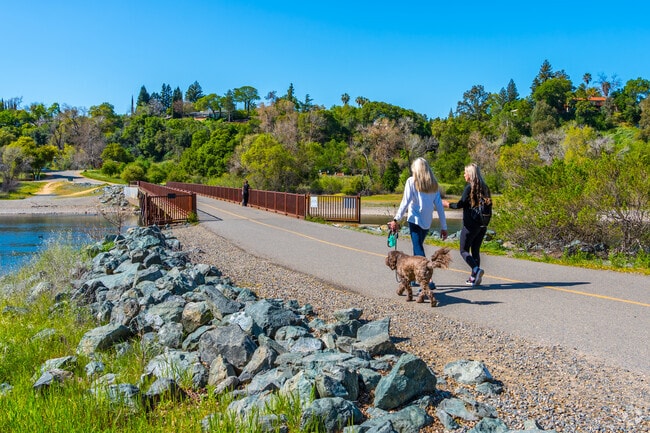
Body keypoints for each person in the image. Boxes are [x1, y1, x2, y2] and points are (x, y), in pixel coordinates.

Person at [388, 157, 448, 289]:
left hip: (414, 220)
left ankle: (428, 279)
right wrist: (444, 227)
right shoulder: (433, 184)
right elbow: (439, 207)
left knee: (418, 249)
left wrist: (396, 219)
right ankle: (416, 276)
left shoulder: (411, 181)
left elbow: (405, 202)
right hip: (426, 222)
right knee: (417, 247)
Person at [442, 163, 492, 286]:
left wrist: (448, 204)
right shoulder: (485, 187)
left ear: (470, 174)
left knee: (463, 250)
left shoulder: (469, 188)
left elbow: (461, 204)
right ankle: (473, 278)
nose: (464, 175)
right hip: (483, 225)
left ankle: (476, 269)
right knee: (475, 251)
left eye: (465, 172)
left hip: (470, 225)